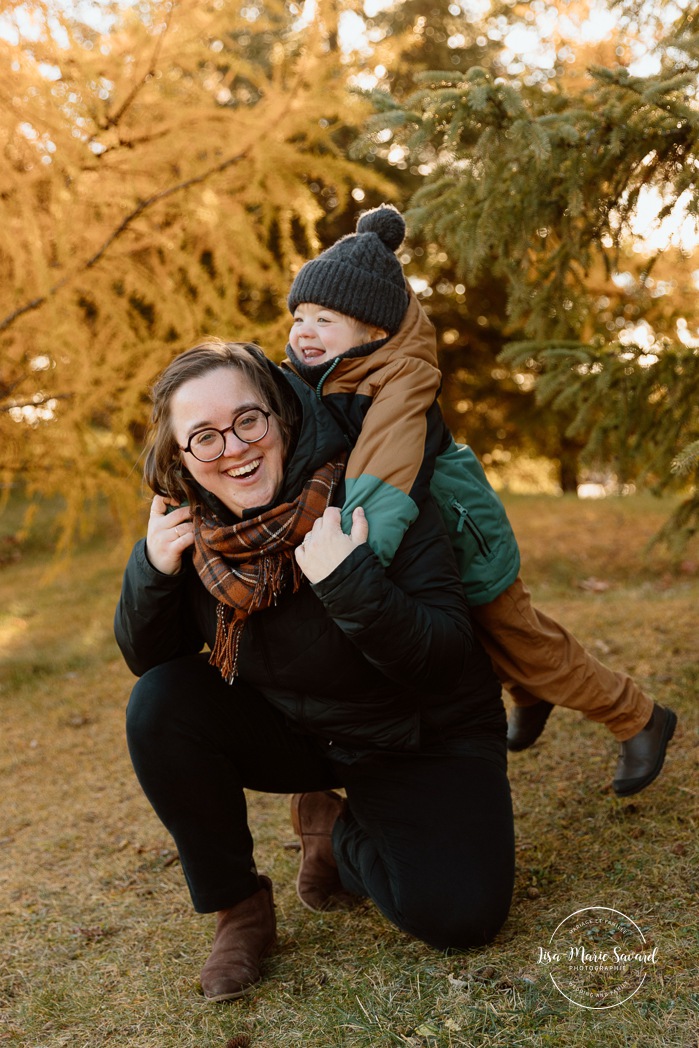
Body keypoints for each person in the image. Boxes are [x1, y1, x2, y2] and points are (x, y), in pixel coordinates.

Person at [115, 340, 515, 1002]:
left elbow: (447, 657)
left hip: (418, 728)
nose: (234, 448)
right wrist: (150, 570)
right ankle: (239, 909)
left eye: (248, 421)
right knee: (159, 702)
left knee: (460, 917)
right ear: (182, 457)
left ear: (280, 415)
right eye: (204, 437)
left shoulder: (371, 486)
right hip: (299, 725)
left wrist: (351, 583)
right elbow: (151, 663)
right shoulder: (197, 527)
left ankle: (336, 835)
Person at [285, 204, 677, 798]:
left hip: (460, 530)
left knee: (522, 638)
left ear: (373, 330)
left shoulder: (398, 379)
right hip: (431, 536)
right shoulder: (331, 374)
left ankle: (638, 717)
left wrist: (361, 562)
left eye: (324, 318)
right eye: (298, 316)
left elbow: (382, 474)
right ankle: (530, 694)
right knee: (474, 635)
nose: (304, 331)